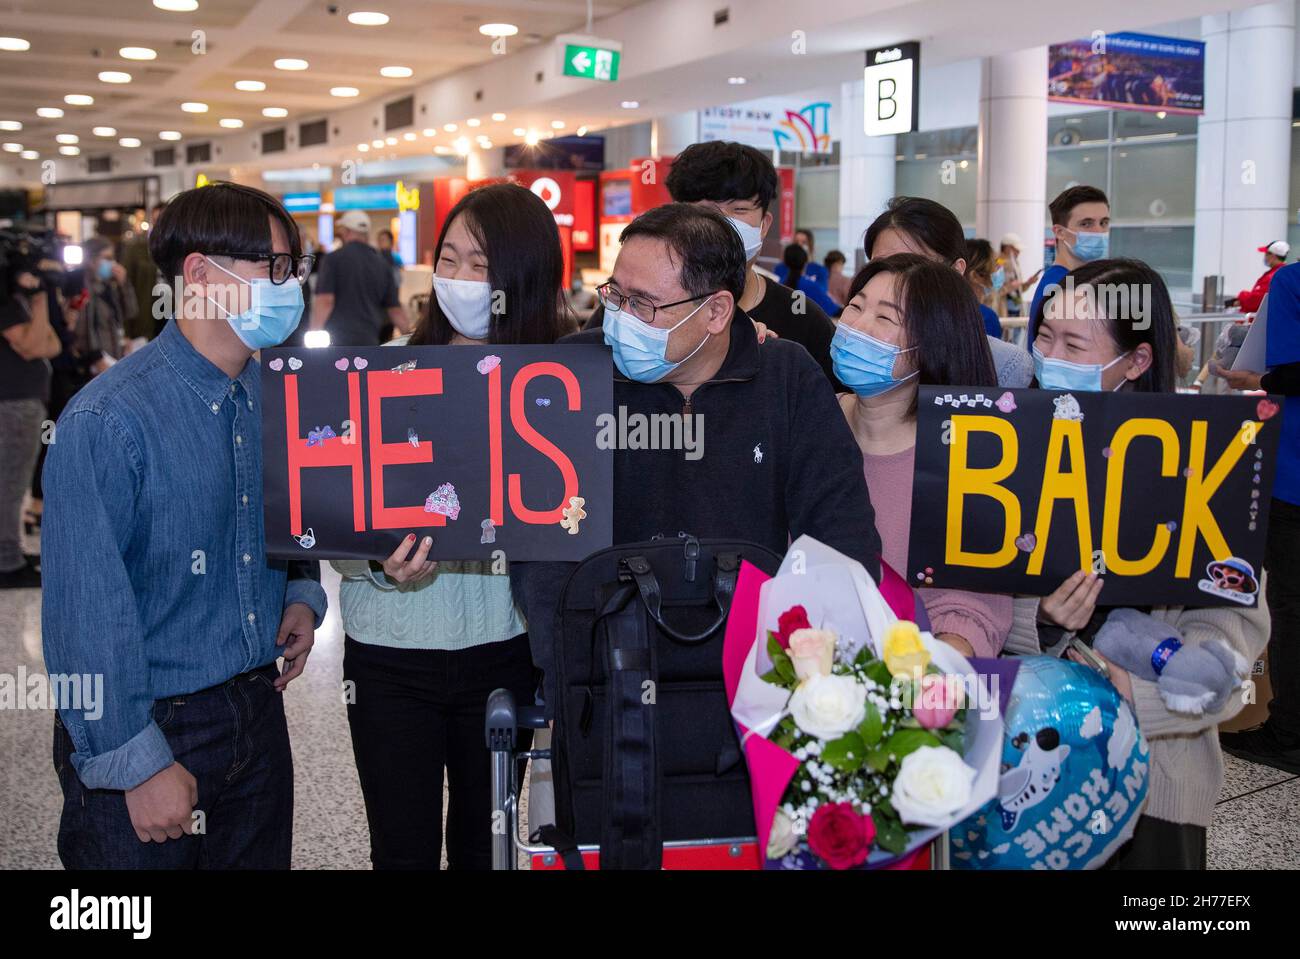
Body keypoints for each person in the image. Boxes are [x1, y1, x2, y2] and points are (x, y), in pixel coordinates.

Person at [41, 181, 327, 869]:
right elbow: (86, 615)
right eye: (274, 267)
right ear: (200, 274)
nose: (288, 286)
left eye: (294, 267)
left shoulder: (277, 396)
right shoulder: (107, 420)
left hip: (257, 714)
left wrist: (299, 591)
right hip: (152, 722)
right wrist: (135, 762)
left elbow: (292, 515)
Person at [515, 202, 883, 716]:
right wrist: (574, 681)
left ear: (715, 311)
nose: (620, 317)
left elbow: (841, 539)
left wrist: (804, 679)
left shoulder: (785, 378)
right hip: (608, 688)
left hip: (760, 687)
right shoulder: (571, 377)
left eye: (644, 304)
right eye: (615, 294)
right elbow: (541, 552)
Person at [333, 183, 569, 870]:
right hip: (388, 654)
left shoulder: (556, 391)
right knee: (400, 848)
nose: (460, 279)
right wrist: (379, 562)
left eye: (483, 265)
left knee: (485, 848)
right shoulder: (383, 375)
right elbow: (336, 521)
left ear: (522, 277)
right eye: (451, 259)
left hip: (506, 651)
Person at [1011, 257, 1270, 869]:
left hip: (1158, 794)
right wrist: (1042, 622)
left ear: (1137, 361)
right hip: (1033, 776)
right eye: (1044, 336)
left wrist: (1130, 694)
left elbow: (1230, 655)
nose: (1050, 355)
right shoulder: (1004, 451)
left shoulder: (1207, 462)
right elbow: (978, 603)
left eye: (1074, 343)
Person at [834, 254, 1011, 658]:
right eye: (855, 306)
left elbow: (972, 611)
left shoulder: (970, 461)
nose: (856, 327)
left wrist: (926, 682)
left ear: (932, 344)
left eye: (885, 319)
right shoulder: (809, 421)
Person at [586, 141, 838, 384]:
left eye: (739, 210)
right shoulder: (630, 308)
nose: (723, 223)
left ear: (764, 225)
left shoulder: (802, 317)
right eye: (706, 212)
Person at [1216, 259, 1300, 775]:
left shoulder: (1292, 282)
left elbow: (1280, 366)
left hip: (1293, 470)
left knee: (1291, 604)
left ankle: (1290, 731)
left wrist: (1259, 377)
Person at [864, 196, 1032, 387]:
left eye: (912, 266)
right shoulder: (856, 354)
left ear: (956, 270)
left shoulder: (1003, 366)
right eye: (880, 267)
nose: (891, 280)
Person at [0, 267, 61, 589]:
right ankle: (7, 562)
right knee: (9, 487)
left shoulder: (15, 301)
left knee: (13, 485)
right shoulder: (6, 302)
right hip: (12, 404)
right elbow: (34, 347)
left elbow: (52, 345)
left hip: (22, 402)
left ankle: (12, 552)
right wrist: (38, 300)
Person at [311, 210, 409, 346]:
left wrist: (314, 332)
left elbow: (325, 301)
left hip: (336, 343)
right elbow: (395, 310)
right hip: (369, 340)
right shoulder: (382, 264)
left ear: (345, 231)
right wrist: (413, 342)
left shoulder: (332, 260)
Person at [1029, 185, 1110, 342]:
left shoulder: (1079, 281)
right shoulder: (1062, 286)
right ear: (1060, 232)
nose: (1099, 232)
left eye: (1104, 223)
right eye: (1086, 224)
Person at [120, 202, 168, 342]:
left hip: (172, 312)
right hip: (146, 316)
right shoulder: (136, 249)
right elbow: (126, 286)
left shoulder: (180, 249)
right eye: (157, 220)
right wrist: (127, 331)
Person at [1226, 240, 1288, 314]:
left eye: (1266, 254)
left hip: (1263, 322)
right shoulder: (1285, 273)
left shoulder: (1272, 276)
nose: (1265, 257)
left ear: (1273, 256)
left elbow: (1256, 300)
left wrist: (1242, 296)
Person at [781, 243, 840, 317]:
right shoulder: (811, 286)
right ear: (805, 263)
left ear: (785, 262)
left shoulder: (779, 284)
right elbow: (834, 310)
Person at [964, 238, 1005, 337]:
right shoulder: (986, 318)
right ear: (974, 276)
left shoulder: (942, 310)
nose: (998, 271)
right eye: (995, 264)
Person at [995, 232, 1041, 317]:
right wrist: (1009, 287)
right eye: (1016, 249)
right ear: (1007, 248)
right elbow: (994, 291)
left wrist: (1028, 283)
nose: (1018, 252)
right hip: (1003, 313)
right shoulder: (999, 262)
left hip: (1017, 311)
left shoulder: (1015, 263)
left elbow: (1019, 290)